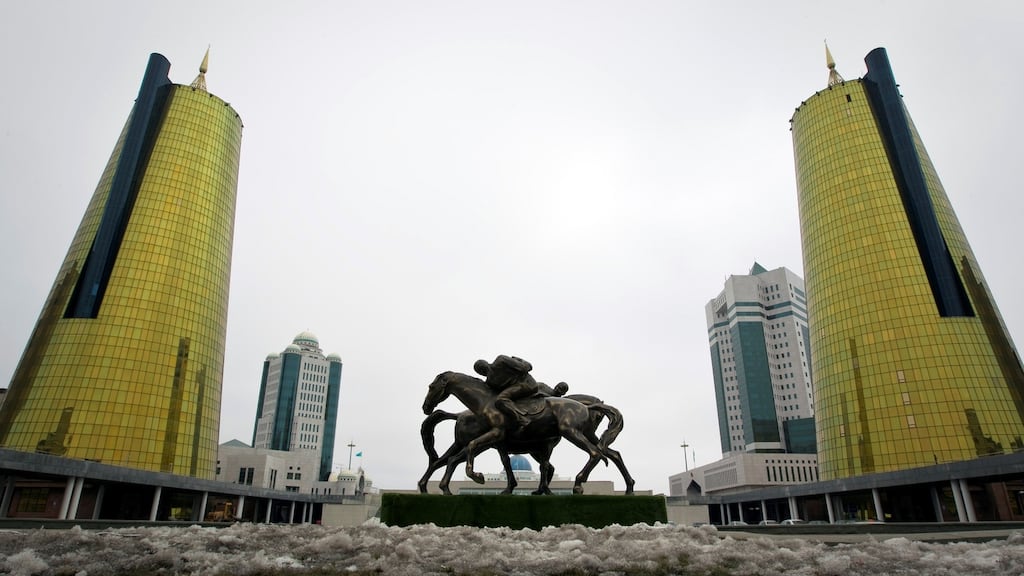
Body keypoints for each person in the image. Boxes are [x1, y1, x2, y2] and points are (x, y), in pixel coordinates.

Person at [473, 355, 547, 429]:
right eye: (479, 370)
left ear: (485, 363)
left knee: (501, 399)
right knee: (500, 400)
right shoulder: (490, 382)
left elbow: (524, 367)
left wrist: (520, 362)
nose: (481, 371)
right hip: (516, 391)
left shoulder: (501, 360)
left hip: (527, 384)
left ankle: (521, 419)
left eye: (480, 367)